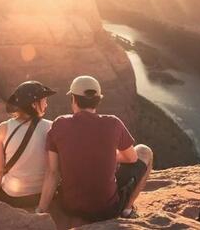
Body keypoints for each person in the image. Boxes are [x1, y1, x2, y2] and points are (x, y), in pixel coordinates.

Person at [36, 75, 154, 221]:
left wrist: (41, 210)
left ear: (73, 99)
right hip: (106, 211)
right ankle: (127, 210)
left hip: (69, 208)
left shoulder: (59, 124)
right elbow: (132, 158)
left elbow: (52, 172)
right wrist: (110, 155)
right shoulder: (114, 123)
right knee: (144, 151)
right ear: (98, 100)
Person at [0, 80, 56, 209]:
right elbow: (52, 171)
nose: (46, 104)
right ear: (34, 104)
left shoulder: (2, 128)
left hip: (12, 197)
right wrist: (41, 209)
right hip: (40, 195)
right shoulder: (52, 127)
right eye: (44, 100)